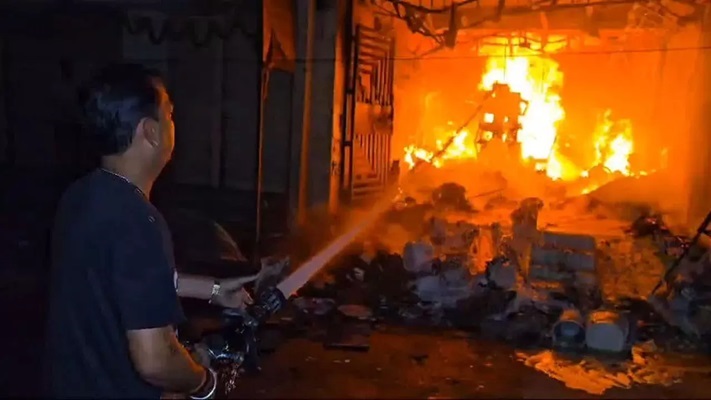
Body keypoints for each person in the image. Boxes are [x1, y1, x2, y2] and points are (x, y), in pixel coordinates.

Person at [45, 63, 255, 399]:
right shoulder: (138, 220)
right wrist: (205, 384)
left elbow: (124, 279)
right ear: (151, 132)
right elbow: (156, 361)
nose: (174, 124)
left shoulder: (81, 196)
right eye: (169, 114)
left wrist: (214, 290)